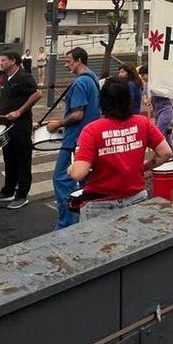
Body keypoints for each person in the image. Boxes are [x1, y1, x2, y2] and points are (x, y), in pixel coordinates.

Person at [69, 77, 173, 220]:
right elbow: (166, 153)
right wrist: (144, 167)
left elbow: (78, 173)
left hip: (100, 203)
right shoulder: (142, 122)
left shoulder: (91, 130)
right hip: (136, 197)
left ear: (102, 101)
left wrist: (71, 168)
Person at [44, 47, 101, 229]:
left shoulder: (79, 83)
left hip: (74, 140)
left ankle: (66, 225)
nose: (66, 64)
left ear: (79, 61)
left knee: (62, 179)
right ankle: (87, 219)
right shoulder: (93, 79)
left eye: (68, 61)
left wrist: (57, 124)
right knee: (86, 182)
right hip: (88, 138)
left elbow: (77, 114)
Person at [0, 51, 41, 210]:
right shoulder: (5, 77)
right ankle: (7, 190)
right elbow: (10, 96)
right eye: (0, 60)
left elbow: (37, 94)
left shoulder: (24, 77)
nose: (0, 63)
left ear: (13, 61)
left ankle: (22, 194)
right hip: (4, 126)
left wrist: (19, 111)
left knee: (22, 159)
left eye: (3, 60)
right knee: (8, 158)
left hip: (20, 126)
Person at [138, 64, 173, 144]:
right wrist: (145, 100)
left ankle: (162, 152)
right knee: (165, 135)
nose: (143, 78)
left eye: (143, 75)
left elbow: (166, 93)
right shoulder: (146, 84)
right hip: (157, 112)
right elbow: (144, 94)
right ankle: (171, 153)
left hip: (166, 110)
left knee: (158, 133)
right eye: (141, 76)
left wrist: (152, 95)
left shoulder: (158, 83)